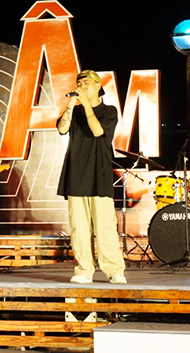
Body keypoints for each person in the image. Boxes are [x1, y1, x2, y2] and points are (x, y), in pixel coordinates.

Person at [57, 70, 126, 284]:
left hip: (99, 174)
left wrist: (86, 104)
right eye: (79, 82)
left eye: (87, 82)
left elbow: (97, 132)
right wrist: (71, 104)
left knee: (104, 226)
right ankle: (84, 270)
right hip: (76, 174)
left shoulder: (109, 111)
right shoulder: (75, 111)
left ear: (98, 86)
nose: (82, 85)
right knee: (79, 227)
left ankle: (114, 270)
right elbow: (62, 128)